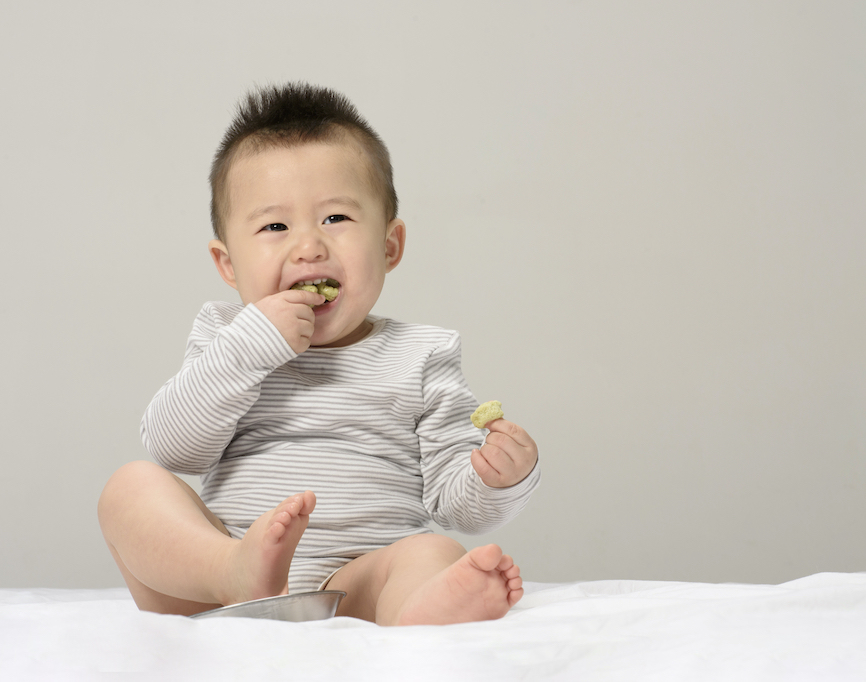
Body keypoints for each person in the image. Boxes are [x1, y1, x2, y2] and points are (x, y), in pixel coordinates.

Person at [97, 82, 540, 626]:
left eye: (336, 219)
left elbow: (456, 505)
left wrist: (497, 479)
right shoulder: (228, 336)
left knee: (432, 552)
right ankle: (233, 568)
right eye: (274, 226)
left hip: (353, 582)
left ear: (389, 245)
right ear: (228, 264)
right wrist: (252, 344)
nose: (308, 245)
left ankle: (422, 609)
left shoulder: (420, 354)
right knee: (130, 488)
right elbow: (175, 449)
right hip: (221, 582)